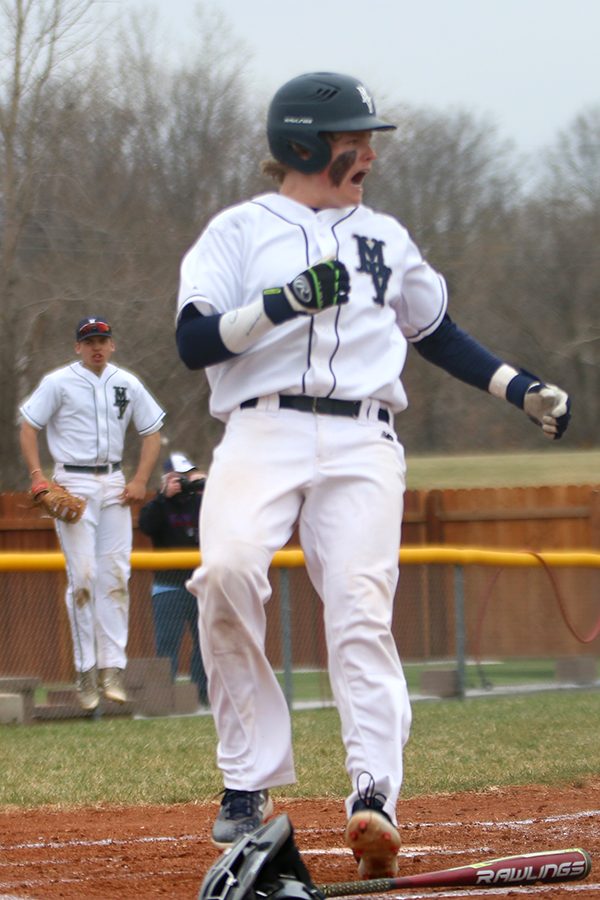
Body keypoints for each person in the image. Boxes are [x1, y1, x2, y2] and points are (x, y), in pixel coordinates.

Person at [175, 72, 571, 876]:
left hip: (363, 437)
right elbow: (194, 340)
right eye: (353, 140)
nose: (368, 154)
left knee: (360, 608)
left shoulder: (384, 237)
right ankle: (246, 780)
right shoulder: (239, 230)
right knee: (224, 573)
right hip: (261, 428)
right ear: (303, 145)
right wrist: (279, 304)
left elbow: (436, 330)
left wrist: (517, 386)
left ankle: (374, 797)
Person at [19, 316, 165, 711]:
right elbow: (29, 427)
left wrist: (140, 480)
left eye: (102, 339)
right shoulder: (58, 382)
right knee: (83, 576)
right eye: (89, 341)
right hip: (75, 484)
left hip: (114, 483)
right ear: (77, 348)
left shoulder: (126, 382)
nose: (96, 346)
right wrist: (38, 477)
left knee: (116, 575)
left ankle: (113, 669)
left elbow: (152, 433)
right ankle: (86, 671)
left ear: (112, 345)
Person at [138, 452, 209, 706]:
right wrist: (162, 497)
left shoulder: (202, 503)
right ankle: (164, 699)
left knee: (205, 645)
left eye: (188, 477)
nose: (184, 483)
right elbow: (146, 525)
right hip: (168, 586)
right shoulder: (158, 505)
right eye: (179, 478)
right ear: (166, 479)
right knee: (167, 645)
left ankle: (201, 696)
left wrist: (208, 489)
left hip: (200, 586)